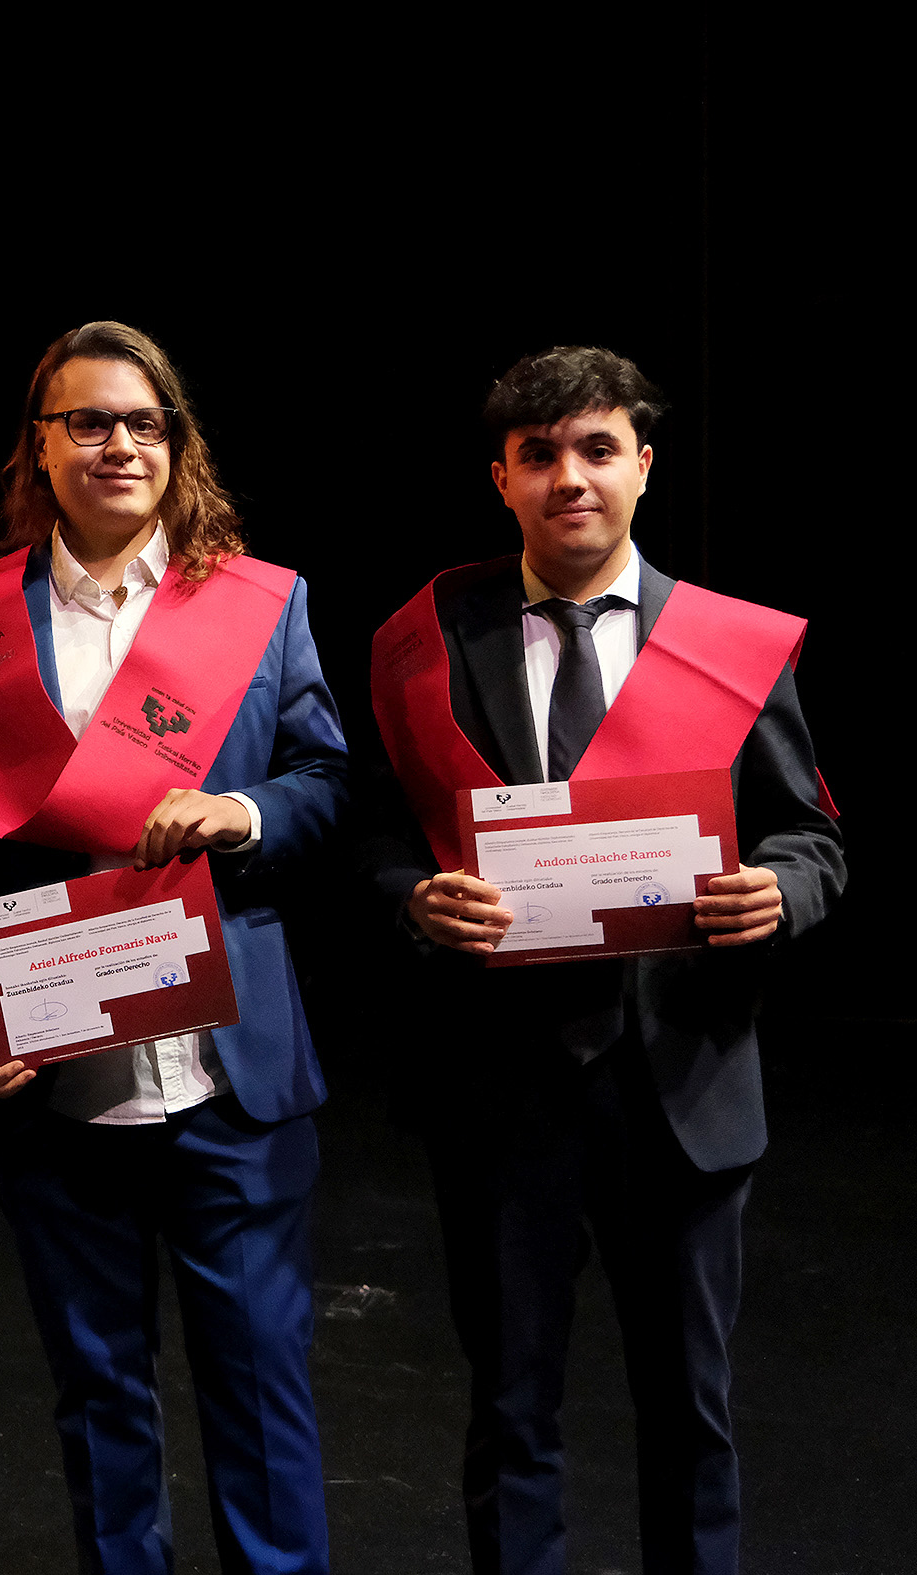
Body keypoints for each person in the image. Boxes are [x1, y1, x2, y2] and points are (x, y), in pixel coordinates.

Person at [357, 346, 845, 1574]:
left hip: (680, 1081)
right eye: (538, 456)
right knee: (510, 1412)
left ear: (641, 465)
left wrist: (779, 892)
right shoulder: (427, 641)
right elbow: (376, 835)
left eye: (595, 449)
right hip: (502, 1088)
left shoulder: (728, 644)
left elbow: (810, 836)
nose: (567, 477)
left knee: (690, 1414)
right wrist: (415, 898)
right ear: (501, 478)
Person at [0, 321, 346, 1574]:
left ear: (176, 444)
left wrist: (242, 813)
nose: (119, 445)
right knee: (99, 1406)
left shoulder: (259, 604)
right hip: (57, 1082)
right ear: (39, 447)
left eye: (145, 423)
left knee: (262, 1404)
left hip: (229, 1078)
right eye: (87, 422)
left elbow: (323, 780)